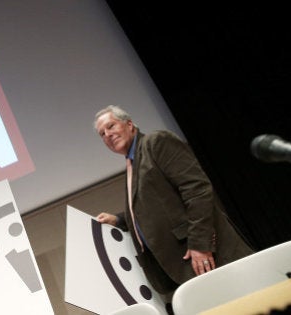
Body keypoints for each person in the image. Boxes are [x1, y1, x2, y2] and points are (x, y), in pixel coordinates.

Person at [93, 105, 253, 305]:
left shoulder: (156, 142)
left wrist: (200, 244)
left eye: (111, 126)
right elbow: (154, 209)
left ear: (129, 124)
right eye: (102, 134)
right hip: (183, 267)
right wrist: (118, 219)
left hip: (206, 255)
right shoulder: (132, 164)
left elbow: (197, 189)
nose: (107, 134)